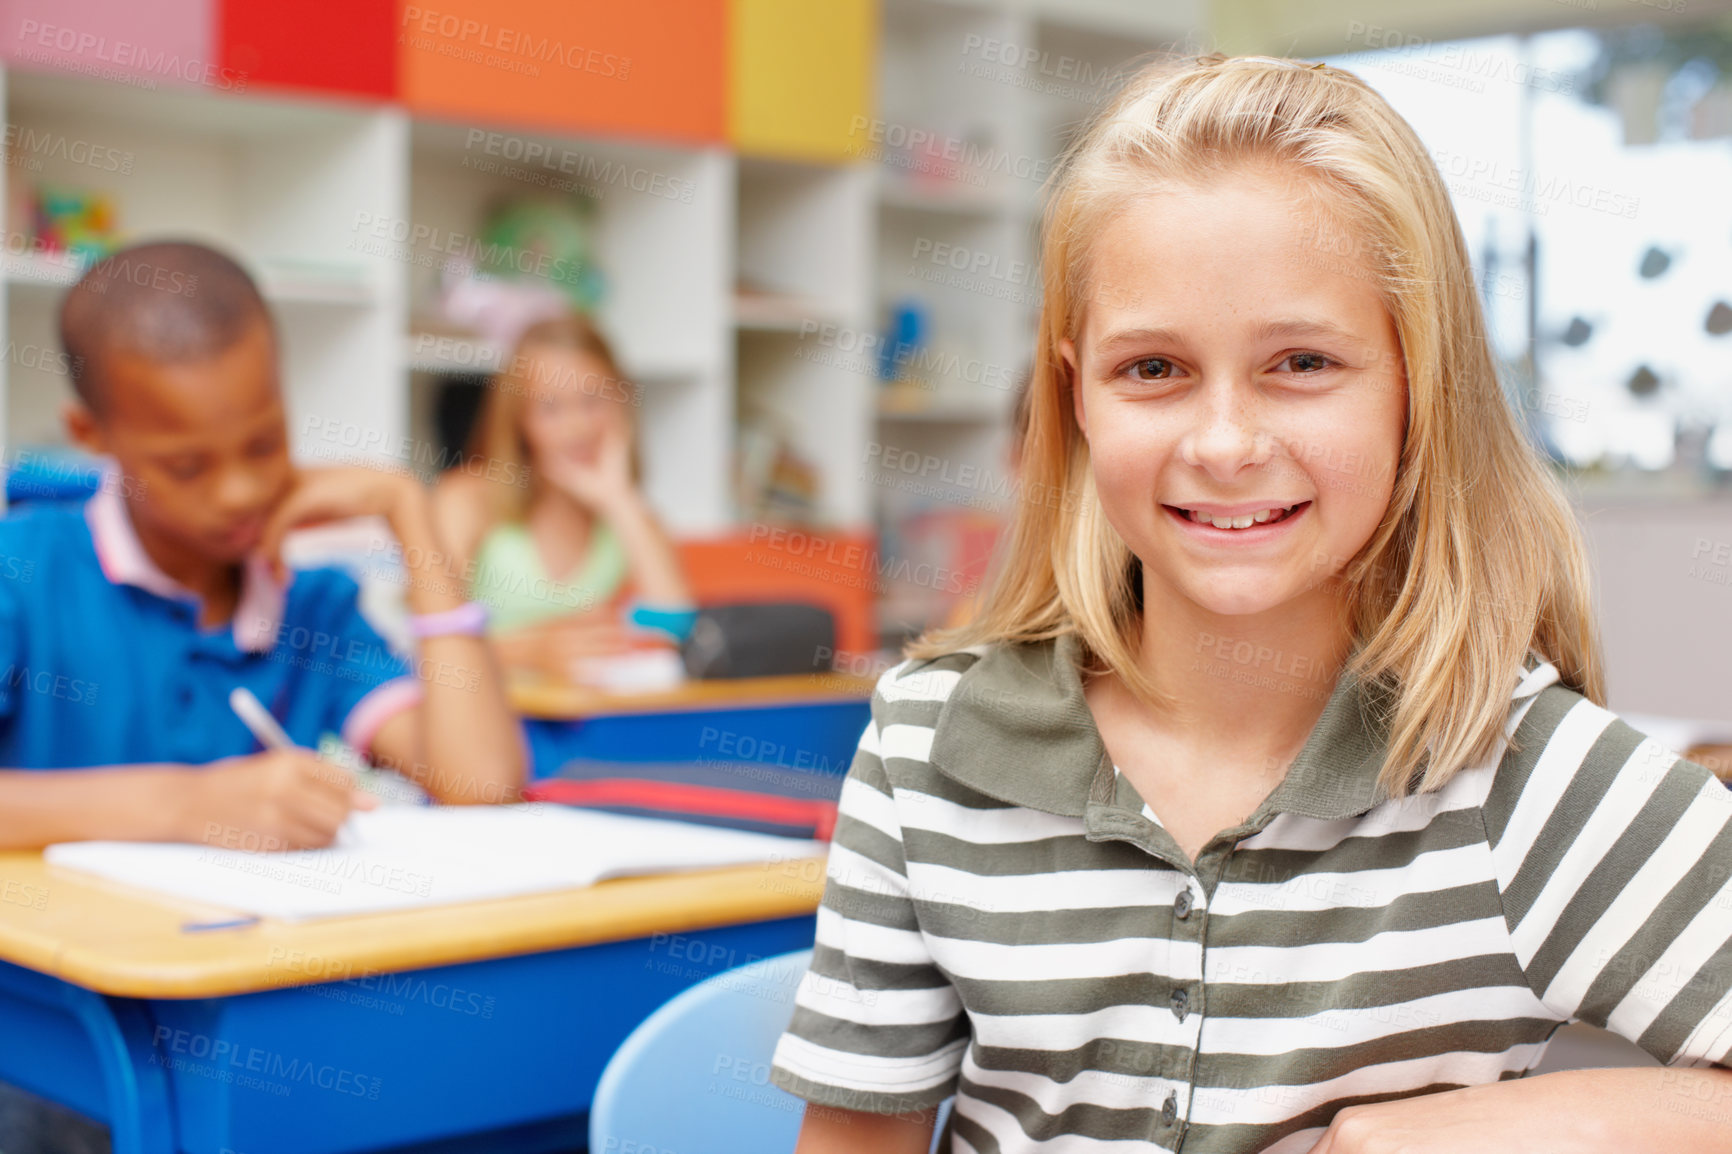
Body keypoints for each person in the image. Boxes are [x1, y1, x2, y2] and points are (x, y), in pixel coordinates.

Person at [769, 54, 1732, 1153]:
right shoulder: (926, 742)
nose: (1224, 442)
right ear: (1074, 393)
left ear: (1418, 385)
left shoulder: (1519, 776)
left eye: (1302, 361)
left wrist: (1483, 1129)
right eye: (1153, 370)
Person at [0, 241, 526, 853]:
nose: (239, 493)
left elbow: (483, 784)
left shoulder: (313, 605)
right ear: (91, 435)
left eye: (264, 445)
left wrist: (412, 515)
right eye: (187, 466)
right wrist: (185, 805)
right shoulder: (23, 571)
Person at [433, 313, 694, 682]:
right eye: (551, 408)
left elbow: (677, 632)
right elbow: (429, 640)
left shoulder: (627, 514)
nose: (577, 426)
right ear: (519, 420)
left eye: (592, 402)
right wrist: (531, 650)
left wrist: (619, 500)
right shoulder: (465, 499)